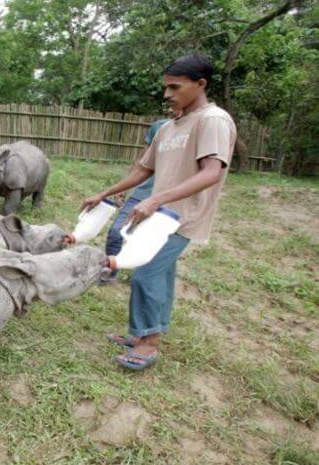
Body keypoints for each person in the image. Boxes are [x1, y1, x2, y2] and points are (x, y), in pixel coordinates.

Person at [81, 54, 236, 370]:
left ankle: (148, 344)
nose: (167, 94)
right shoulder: (168, 128)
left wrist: (157, 199)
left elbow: (211, 172)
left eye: (175, 87)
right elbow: (142, 170)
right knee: (160, 275)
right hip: (159, 215)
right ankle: (145, 335)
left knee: (145, 273)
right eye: (165, 87)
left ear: (200, 84)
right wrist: (104, 193)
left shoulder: (213, 120)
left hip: (181, 216)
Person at [99, 115, 172, 285]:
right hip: (143, 191)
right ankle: (110, 273)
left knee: (155, 243)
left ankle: (147, 276)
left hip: (170, 198)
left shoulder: (200, 127)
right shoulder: (159, 127)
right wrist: (123, 188)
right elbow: (142, 161)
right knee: (116, 232)